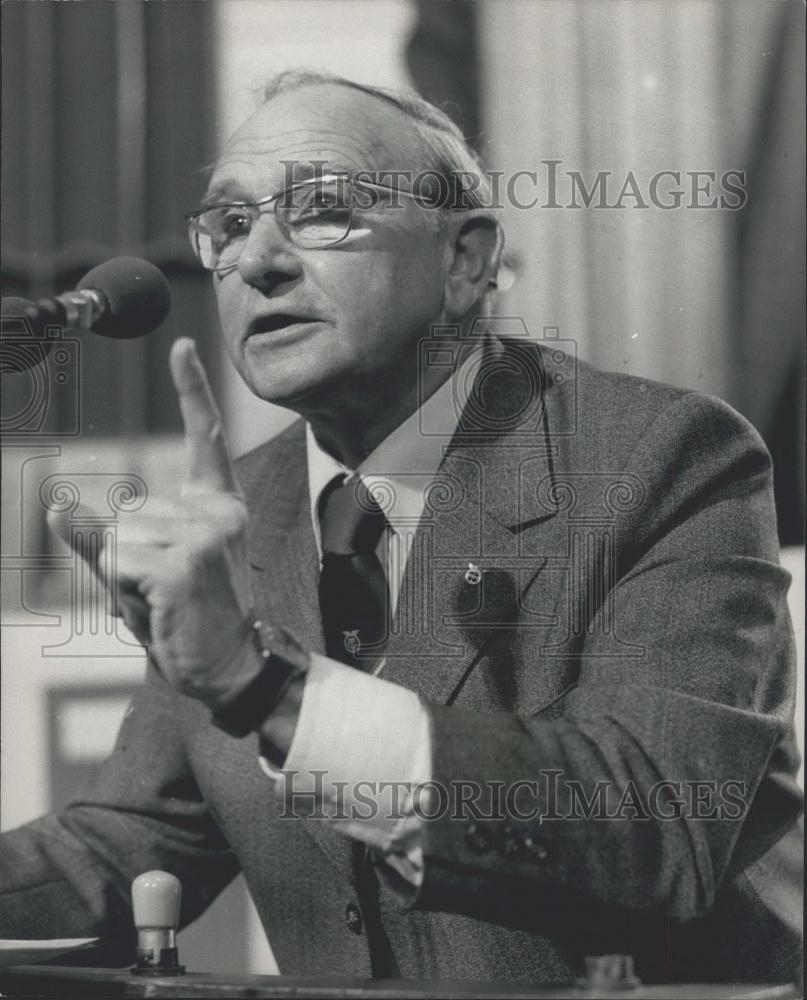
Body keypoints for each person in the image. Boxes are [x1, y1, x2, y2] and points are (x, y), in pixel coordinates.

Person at [0, 70, 802, 987]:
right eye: (228, 224)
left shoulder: (661, 459)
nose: (258, 258)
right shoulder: (241, 511)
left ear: (464, 261)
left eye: (323, 207)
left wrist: (263, 686)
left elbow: (655, 828)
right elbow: (134, 837)